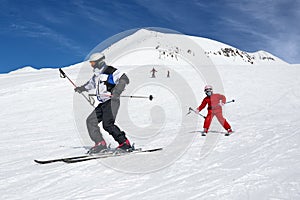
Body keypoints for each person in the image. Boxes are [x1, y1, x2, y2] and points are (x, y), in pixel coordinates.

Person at [74, 52, 132, 154]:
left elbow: (124, 79)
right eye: (91, 63)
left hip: (112, 101)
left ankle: (124, 143)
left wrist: (117, 91)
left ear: (99, 62)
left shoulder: (110, 71)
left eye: (93, 63)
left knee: (108, 124)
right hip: (103, 103)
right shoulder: (97, 75)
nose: (92, 65)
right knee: (91, 121)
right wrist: (81, 88)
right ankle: (100, 143)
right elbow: (90, 84)